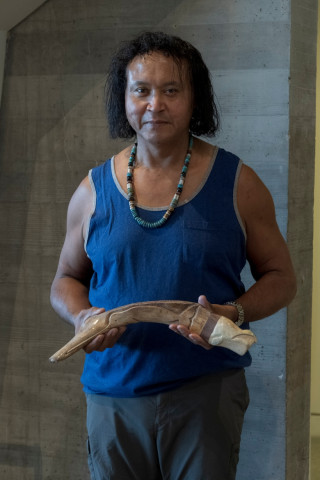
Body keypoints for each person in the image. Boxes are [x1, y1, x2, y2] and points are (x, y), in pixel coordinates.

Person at [50, 31, 297, 480]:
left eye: (171, 90)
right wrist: (81, 317)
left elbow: (282, 277)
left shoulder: (239, 183)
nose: (154, 104)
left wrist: (234, 312)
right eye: (141, 90)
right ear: (124, 99)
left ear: (194, 98)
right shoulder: (92, 190)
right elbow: (65, 279)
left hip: (205, 391)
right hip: (113, 394)